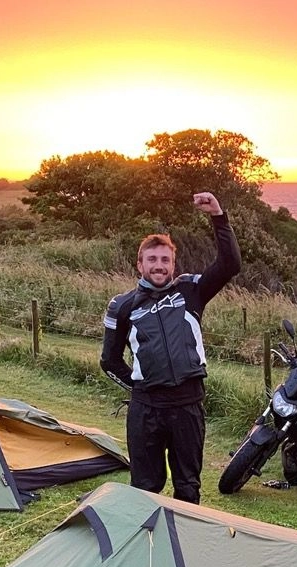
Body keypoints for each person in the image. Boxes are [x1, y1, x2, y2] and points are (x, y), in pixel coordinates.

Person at [100, 192, 241, 503]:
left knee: (188, 487)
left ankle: (185, 546)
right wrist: (141, 386)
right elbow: (109, 361)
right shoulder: (122, 306)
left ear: (174, 264)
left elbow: (230, 264)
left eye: (165, 259)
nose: (159, 265)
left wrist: (218, 216)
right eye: (152, 259)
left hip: (187, 407)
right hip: (145, 411)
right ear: (140, 264)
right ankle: (145, 547)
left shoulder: (192, 291)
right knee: (144, 488)